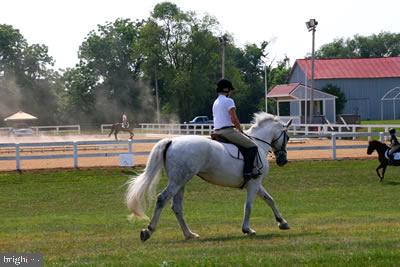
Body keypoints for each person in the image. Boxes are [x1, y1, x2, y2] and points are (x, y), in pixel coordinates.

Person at [212, 78, 260, 180]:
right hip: (227, 131)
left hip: (216, 131)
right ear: (226, 89)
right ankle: (248, 171)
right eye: (230, 90)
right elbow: (234, 119)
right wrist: (240, 130)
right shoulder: (229, 101)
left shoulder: (215, 102)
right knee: (253, 147)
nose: (231, 92)